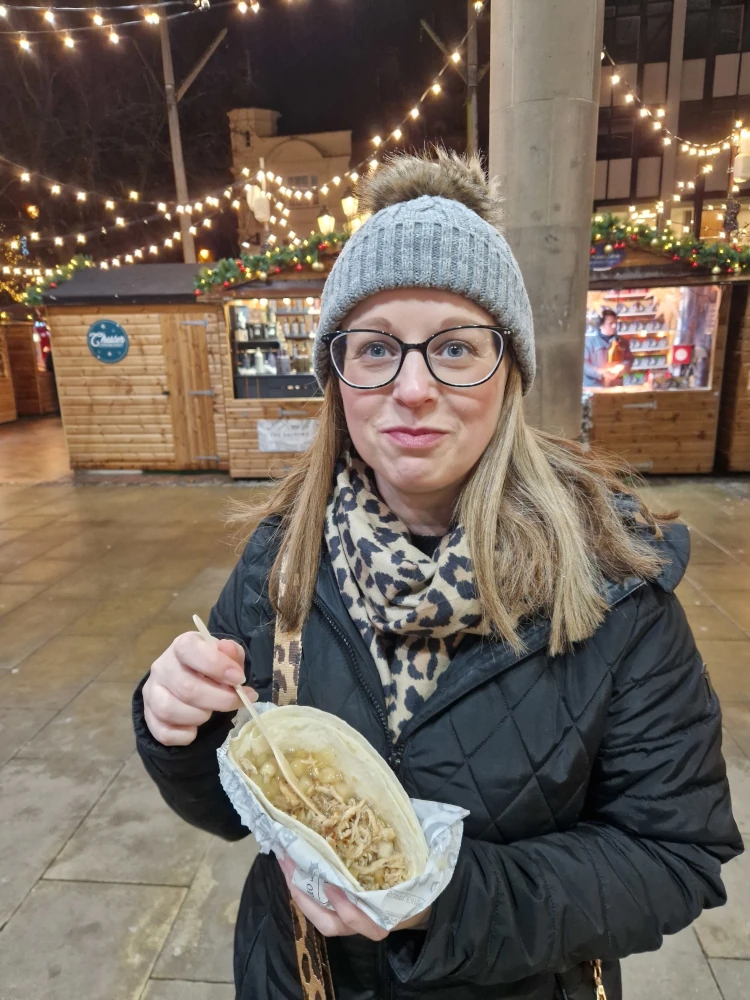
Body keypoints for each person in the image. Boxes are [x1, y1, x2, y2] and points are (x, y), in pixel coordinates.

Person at [133, 150, 741, 1000]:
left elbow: (676, 857)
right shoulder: (281, 560)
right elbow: (237, 807)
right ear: (336, 375)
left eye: (455, 348)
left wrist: (439, 904)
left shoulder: (615, 587)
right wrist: (177, 728)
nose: (412, 388)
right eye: (377, 349)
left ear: (510, 374)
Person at [583, 308, 632, 387]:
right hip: (595, 386)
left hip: (615, 386)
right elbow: (584, 365)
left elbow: (629, 359)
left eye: (615, 323)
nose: (614, 326)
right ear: (601, 325)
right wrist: (600, 372)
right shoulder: (588, 343)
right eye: (611, 323)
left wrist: (621, 368)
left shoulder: (623, 342)